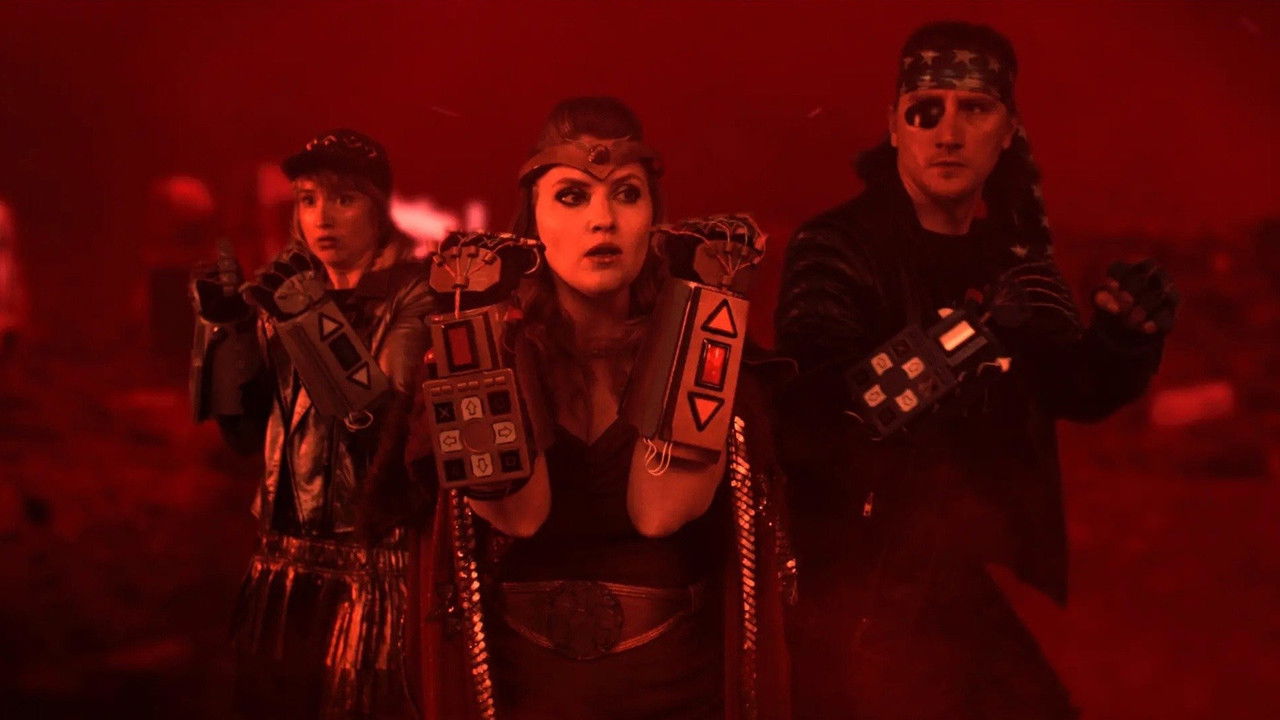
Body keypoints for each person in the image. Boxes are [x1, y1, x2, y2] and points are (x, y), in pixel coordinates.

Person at [774, 22, 1178, 720]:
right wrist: (975, 330)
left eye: (976, 109)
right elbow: (832, 412)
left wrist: (1125, 335)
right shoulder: (836, 246)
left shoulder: (1009, 254)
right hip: (852, 587)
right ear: (894, 127)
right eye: (925, 110)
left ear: (1008, 130)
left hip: (953, 578)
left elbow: (1073, 386)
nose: (949, 133)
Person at [413, 97, 794, 720]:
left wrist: (707, 313)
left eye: (626, 194)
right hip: (527, 692)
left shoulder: (700, 342)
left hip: (674, 690)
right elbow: (518, 514)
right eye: (572, 196)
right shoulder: (497, 349)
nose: (603, 220)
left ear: (653, 219)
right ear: (532, 220)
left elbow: (660, 511)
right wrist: (474, 335)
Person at [190, 129, 433, 719]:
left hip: (377, 576)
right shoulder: (285, 294)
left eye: (344, 199)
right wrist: (227, 331)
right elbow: (243, 437)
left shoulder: (416, 296)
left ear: (379, 207)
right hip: (280, 567)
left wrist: (309, 319)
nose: (322, 218)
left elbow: (381, 436)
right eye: (307, 199)